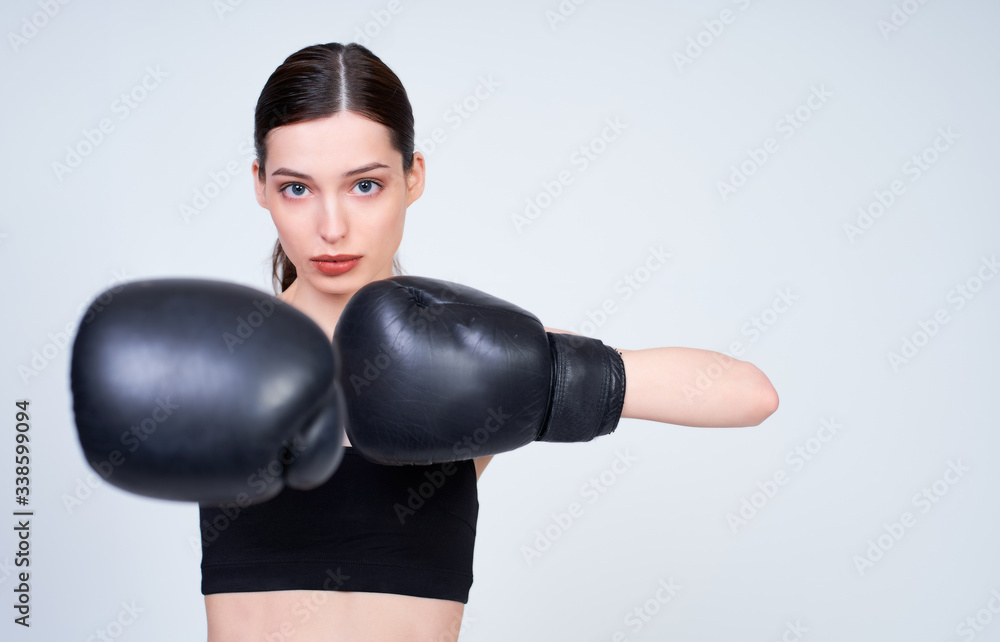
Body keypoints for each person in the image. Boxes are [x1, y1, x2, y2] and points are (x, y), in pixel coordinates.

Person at [197, 42, 778, 641]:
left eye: (364, 185)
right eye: (297, 188)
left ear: (413, 176)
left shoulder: (468, 355)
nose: (332, 227)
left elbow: (751, 395)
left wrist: (549, 374)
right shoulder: (211, 362)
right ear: (261, 185)